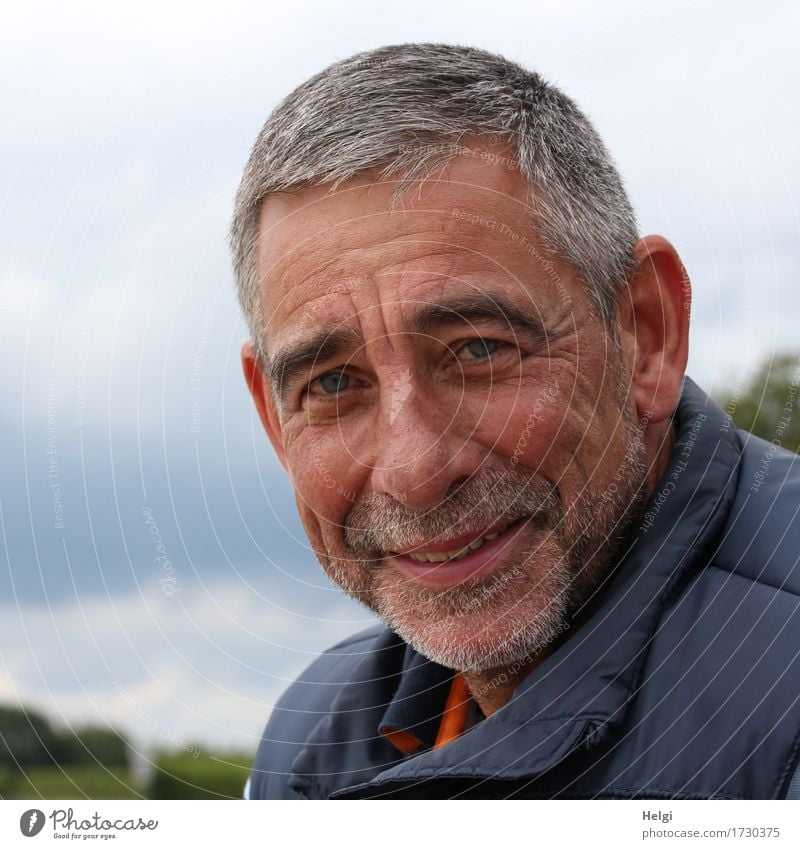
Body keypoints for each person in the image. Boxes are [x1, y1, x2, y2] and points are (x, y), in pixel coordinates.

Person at [229, 43, 800, 799]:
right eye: (332, 382)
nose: (416, 472)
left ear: (646, 333)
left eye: (478, 349)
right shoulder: (311, 741)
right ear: (273, 419)